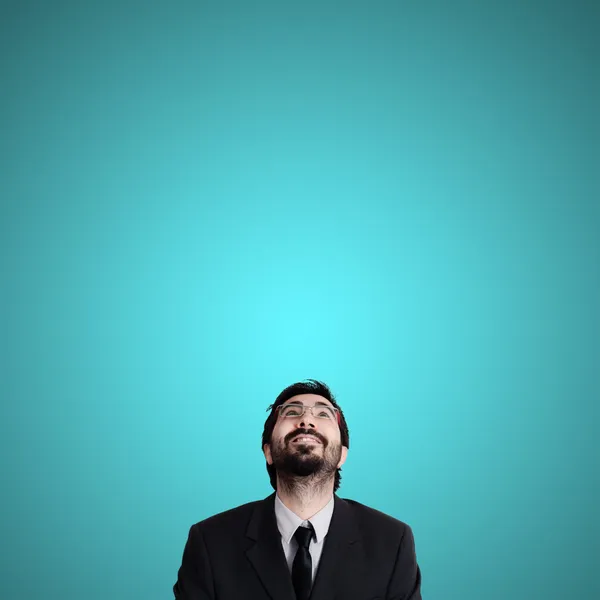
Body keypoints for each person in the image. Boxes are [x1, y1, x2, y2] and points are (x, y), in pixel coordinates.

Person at [173, 379, 422, 599]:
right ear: (268, 451)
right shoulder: (210, 541)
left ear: (341, 456)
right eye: (291, 412)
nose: (306, 420)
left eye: (323, 414)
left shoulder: (391, 542)